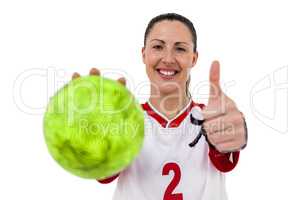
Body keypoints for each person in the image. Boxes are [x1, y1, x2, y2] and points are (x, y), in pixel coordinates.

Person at [72, 13, 247, 200]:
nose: (168, 58)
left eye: (180, 49)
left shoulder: (212, 118)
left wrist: (232, 133)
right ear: (144, 54)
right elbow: (104, 175)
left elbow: (225, 161)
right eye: (158, 47)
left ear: (193, 58)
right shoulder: (124, 119)